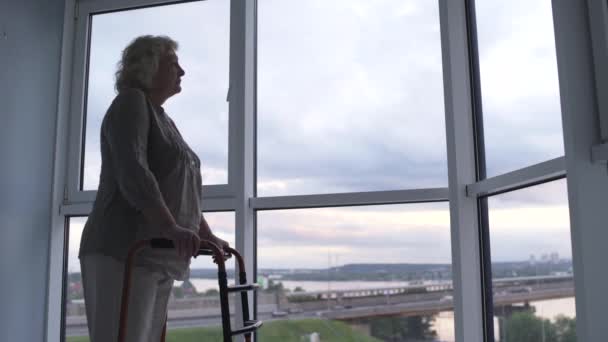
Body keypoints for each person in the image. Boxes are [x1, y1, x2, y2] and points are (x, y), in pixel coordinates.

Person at [78, 35, 229, 342]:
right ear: (148, 66)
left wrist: (205, 233)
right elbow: (134, 172)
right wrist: (172, 228)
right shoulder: (130, 102)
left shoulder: (164, 120)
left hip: (158, 253)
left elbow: (182, 191)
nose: (182, 71)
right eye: (173, 63)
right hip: (122, 248)